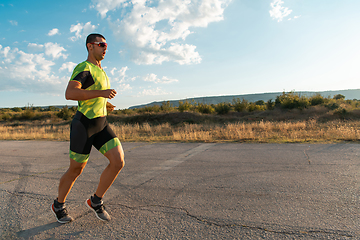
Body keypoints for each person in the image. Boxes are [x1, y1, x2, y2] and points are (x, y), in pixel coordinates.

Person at [51, 33, 125, 223]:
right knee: (76, 170)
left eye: (106, 45)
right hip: (84, 125)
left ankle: (95, 201)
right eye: (101, 44)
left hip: (101, 124)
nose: (105, 48)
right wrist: (102, 93)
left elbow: (91, 96)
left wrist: (105, 103)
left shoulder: (102, 71)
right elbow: (71, 93)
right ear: (90, 46)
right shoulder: (84, 67)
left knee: (118, 161)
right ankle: (58, 205)